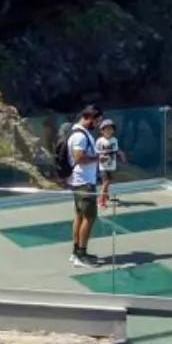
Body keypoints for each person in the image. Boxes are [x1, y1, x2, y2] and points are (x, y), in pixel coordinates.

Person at [67, 106, 104, 268]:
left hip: (80, 181)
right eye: (96, 121)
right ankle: (80, 254)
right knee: (89, 217)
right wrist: (97, 158)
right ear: (89, 118)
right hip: (84, 182)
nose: (97, 124)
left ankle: (77, 251)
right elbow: (78, 157)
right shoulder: (80, 136)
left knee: (80, 216)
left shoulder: (78, 132)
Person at [95, 117, 121, 212]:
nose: (109, 131)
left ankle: (105, 195)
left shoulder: (114, 140)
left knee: (108, 182)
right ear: (102, 130)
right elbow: (97, 152)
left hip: (112, 164)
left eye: (111, 129)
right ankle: (101, 200)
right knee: (105, 182)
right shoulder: (100, 141)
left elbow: (115, 151)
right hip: (103, 165)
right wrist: (102, 156)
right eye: (106, 129)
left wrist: (119, 155)